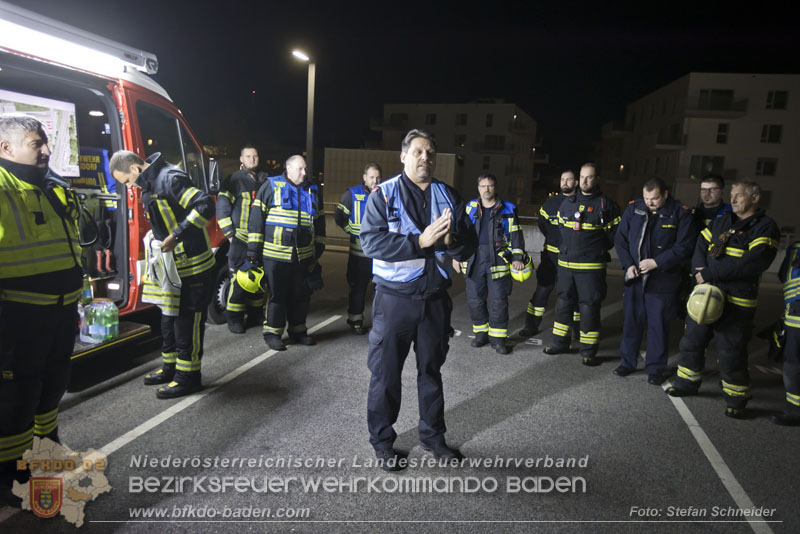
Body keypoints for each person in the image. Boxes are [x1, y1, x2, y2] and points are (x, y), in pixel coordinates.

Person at [360, 129, 476, 470]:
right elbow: (371, 242)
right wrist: (419, 242)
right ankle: (383, 443)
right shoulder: (383, 195)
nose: (425, 157)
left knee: (431, 372)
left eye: (430, 153)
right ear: (403, 156)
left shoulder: (448, 194)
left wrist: (452, 242)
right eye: (418, 152)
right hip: (394, 300)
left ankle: (433, 437)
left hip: (435, 299)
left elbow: (468, 245)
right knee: (386, 376)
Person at [0, 115, 82, 506]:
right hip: (18, 316)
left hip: (60, 311)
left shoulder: (52, 186)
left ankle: (46, 444)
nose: (47, 150)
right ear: (6, 148)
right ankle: (10, 471)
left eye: (46, 142)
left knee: (53, 382)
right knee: (18, 393)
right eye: (37, 144)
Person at [666, 180, 780, 419]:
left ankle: (736, 399)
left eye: (739, 195)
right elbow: (701, 244)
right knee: (692, 342)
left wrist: (711, 273)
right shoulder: (723, 220)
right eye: (732, 195)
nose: (733, 199)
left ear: (755, 198)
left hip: (737, 302)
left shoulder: (765, 227)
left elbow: (752, 263)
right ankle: (686, 383)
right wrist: (700, 271)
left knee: (731, 352)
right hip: (705, 294)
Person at [110, 150, 215, 399]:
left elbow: (205, 205)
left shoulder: (170, 178)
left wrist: (177, 235)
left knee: (187, 322)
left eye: (127, 181)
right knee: (168, 319)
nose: (130, 187)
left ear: (135, 169)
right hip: (172, 267)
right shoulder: (149, 183)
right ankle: (171, 368)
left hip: (193, 267)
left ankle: (188, 378)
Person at [613, 178, 696, 384]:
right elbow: (621, 239)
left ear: (665, 194)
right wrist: (628, 265)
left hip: (663, 280)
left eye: (655, 198)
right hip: (635, 278)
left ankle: (656, 368)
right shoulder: (634, 208)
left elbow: (684, 247)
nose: (650, 202)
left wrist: (657, 263)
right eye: (646, 198)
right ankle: (627, 362)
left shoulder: (680, 213)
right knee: (631, 323)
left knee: (658, 327)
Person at [543, 163, 621, 366]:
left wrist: (593, 251)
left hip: (590, 268)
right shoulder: (567, 203)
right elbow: (560, 229)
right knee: (563, 304)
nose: (585, 181)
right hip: (566, 265)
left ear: (597, 179)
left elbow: (614, 236)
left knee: (588, 308)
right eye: (583, 177)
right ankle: (560, 343)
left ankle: (588, 351)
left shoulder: (606, 205)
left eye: (590, 177)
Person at [247, 155, 325, 351]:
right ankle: (272, 334)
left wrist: (318, 249)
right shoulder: (271, 186)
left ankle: (298, 331)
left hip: (303, 256)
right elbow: (257, 218)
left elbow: (319, 221)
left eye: (305, 169)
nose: (304, 173)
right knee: (277, 296)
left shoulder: (312, 190)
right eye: (300, 169)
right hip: (275, 255)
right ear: (288, 168)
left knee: (301, 295)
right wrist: (253, 251)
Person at [455, 173, 525, 354]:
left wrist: (517, 257)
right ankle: (481, 335)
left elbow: (516, 234)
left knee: (498, 301)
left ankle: (498, 340)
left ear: (495, 187)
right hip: (474, 259)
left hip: (498, 260)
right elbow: (461, 234)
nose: (486, 189)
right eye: (483, 186)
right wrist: (457, 256)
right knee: (475, 300)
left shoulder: (508, 208)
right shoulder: (470, 207)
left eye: (490, 186)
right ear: (478, 188)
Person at [519, 170, 579, 337]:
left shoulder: (581, 203)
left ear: (576, 183)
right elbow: (543, 226)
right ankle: (530, 326)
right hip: (550, 258)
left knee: (573, 294)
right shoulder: (550, 204)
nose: (565, 182)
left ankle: (578, 330)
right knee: (542, 291)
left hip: (572, 259)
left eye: (569, 179)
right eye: (562, 179)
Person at [216, 145, 267, 333]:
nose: (252, 159)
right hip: (240, 238)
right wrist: (230, 234)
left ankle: (255, 314)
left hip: (260, 240)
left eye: (255, 156)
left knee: (258, 280)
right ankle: (234, 319)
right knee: (238, 280)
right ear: (241, 159)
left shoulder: (264, 180)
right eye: (248, 156)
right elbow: (222, 207)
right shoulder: (234, 180)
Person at [334, 163, 382, 335]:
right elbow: (339, 218)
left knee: (381, 292)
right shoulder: (352, 194)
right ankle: (355, 321)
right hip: (358, 255)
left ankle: (379, 323)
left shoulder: (384, 194)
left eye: (378, 177)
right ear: (364, 177)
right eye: (372, 177)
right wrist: (352, 232)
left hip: (379, 256)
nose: (375, 181)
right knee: (358, 290)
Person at [772, 240, 800, 426]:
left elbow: (784, 275)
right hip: (794, 312)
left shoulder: (795, 247)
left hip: (795, 312)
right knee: (793, 363)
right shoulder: (795, 247)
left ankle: (794, 412)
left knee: (793, 363)